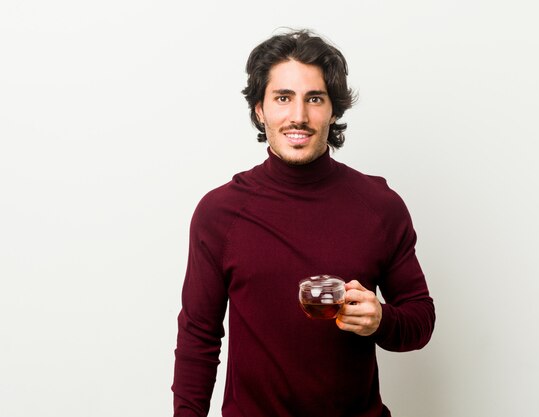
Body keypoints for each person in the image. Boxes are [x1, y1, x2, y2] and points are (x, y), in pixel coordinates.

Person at [172, 29, 435, 417]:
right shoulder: (220, 213)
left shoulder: (379, 206)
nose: (299, 115)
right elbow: (199, 337)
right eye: (283, 98)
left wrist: (381, 319)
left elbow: (420, 320)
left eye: (314, 98)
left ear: (333, 110)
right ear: (260, 110)